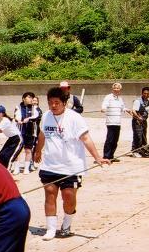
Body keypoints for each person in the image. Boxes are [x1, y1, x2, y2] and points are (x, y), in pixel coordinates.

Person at [34, 87, 110, 241]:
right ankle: (50, 229)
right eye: (50, 103)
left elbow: (86, 138)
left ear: (64, 103)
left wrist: (98, 157)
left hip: (71, 167)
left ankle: (66, 225)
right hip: (50, 165)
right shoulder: (46, 116)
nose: (53, 106)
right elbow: (42, 135)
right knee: (50, 195)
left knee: (68, 197)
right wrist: (38, 151)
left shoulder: (75, 118)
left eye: (56, 102)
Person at [101, 82, 133, 161]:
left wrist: (128, 110)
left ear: (120, 90)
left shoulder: (120, 99)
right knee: (110, 139)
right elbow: (104, 105)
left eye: (118, 88)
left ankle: (111, 156)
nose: (116, 90)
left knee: (115, 140)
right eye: (115, 88)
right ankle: (106, 157)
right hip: (110, 122)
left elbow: (123, 108)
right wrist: (103, 108)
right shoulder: (108, 97)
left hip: (117, 122)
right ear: (112, 89)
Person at [13, 92, 41, 174]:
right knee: (18, 150)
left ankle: (26, 168)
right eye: (29, 97)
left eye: (32, 97)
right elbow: (16, 116)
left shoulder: (34, 107)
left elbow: (36, 116)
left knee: (28, 150)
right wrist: (18, 120)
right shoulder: (18, 107)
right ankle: (16, 167)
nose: (31, 99)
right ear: (23, 99)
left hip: (30, 131)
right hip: (20, 131)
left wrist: (28, 119)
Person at [0, 105, 23, 171]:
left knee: (9, 157)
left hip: (17, 139)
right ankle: (2, 171)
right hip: (11, 139)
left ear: (3, 113)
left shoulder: (5, 120)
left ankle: (7, 173)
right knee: (1, 155)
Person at [131, 86, 149, 157]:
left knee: (143, 136)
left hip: (144, 121)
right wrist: (138, 118)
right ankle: (135, 151)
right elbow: (133, 111)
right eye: (144, 93)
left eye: (147, 94)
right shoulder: (137, 101)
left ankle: (142, 150)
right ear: (142, 93)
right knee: (137, 136)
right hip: (137, 121)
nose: (146, 95)